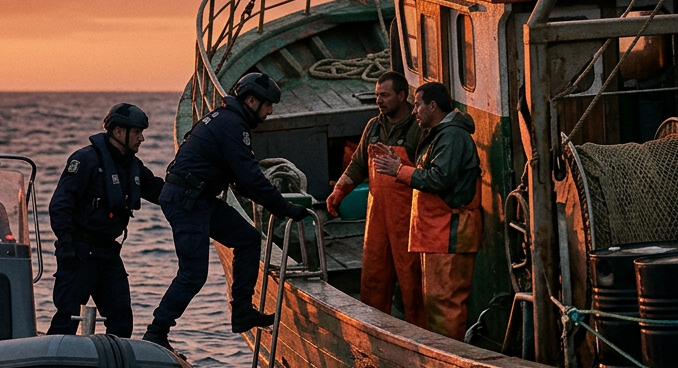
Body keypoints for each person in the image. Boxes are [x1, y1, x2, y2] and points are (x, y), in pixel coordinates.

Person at [144, 72, 312, 351]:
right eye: (268, 105)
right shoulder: (233, 125)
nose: (270, 111)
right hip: (187, 201)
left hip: (198, 198)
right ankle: (156, 331)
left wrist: (265, 200)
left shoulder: (226, 119)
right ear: (251, 100)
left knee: (247, 239)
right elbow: (249, 176)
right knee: (193, 274)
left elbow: (239, 178)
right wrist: (283, 208)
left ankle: (242, 311)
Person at [370, 81, 481, 340]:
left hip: (449, 232)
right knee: (436, 301)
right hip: (436, 234)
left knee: (446, 303)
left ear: (433, 106)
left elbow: (438, 179)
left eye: (418, 105)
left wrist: (399, 170)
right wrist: (401, 164)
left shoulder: (451, 136)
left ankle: (450, 358)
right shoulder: (439, 135)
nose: (414, 111)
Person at [46, 104, 165, 338]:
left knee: (121, 321)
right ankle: (50, 366)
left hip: (108, 254)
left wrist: (191, 190)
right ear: (119, 131)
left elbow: (160, 192)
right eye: (138, 132)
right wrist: (67, 244)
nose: (142, 138)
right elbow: (60, 205)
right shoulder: (85, 160)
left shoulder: (132, 166)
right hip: (79, 253)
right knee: (67, 318)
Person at [325, 71, 426, 327]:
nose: (379, 100)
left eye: (384, 95)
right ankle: (373, 328)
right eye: (376, 95)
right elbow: (358, 164)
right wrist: (339, 191)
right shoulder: (373, 126)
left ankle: (422, 333)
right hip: (377, 216)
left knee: (413, 279)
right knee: (373, 275)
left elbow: (425, 175)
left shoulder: (417, 128)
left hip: (408, 217)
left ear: (402, 96)